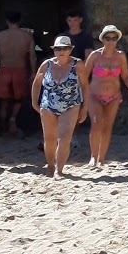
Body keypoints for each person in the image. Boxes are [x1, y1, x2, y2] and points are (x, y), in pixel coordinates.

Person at [31, 36, 87, 178]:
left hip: (71, 104)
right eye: (58, 48)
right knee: (49, 138)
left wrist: (85, 108)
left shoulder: (78, 64)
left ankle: (59, 170)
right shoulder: (47, 64)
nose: (61, 51)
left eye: (64, 48)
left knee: (64, 137)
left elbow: (85, 86)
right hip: (48, 104)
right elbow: (37, 83)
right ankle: (50, 166)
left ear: (70, 49)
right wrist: (34, 102)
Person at [85, 25, 128, 169]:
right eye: (108, 38)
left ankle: (101, 159)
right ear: (103, 39)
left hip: (113, 96)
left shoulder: (120, 55)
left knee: (107, 126)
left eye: (114, 38)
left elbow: (125, 75)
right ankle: (93, 157)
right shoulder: (95, 55)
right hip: (94, 94)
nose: (111, 41)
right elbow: (83, 75)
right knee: (96, 123)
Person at [0, 10, 36, 138]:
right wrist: (33, 72)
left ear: (6, 21)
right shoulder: (27, 37)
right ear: (20, 20)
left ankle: (3, 127)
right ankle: (13, 119)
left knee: (3, 101)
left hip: (4, 69)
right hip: (20, 70)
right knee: (18, 99)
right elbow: (32, 57)